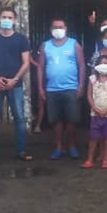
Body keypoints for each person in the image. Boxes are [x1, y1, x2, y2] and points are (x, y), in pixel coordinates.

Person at [0, 7, 33, 161]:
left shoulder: (21, 39)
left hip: (15, 85)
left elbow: (26, 63)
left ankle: (21, 151)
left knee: (19, 117)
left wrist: (15, 80)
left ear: (15, 21)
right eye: (4, 17)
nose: (7, 20)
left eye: (10, 17)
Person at [38, 18, 86, 160]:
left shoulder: (74, 44)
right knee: (56, 121)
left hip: (71, 88)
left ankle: (72, 146)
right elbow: (40, 68)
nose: (58, 29)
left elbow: (82, 65)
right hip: (52, 89)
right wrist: (40, 88)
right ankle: (58, 147)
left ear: (66, 28)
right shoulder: (45, 46)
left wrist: (81, 85)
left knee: (72, 120)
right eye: (55, 27)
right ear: (51, 29)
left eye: (61, 27)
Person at [83, 55, 107, 169]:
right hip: (95, 114)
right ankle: (89, 159)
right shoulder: (92, 79)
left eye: (106, 63)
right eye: (101, 62)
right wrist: (94, 108)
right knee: (94, 137)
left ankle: (105, 159)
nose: (104, 65)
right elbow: (89, 95)